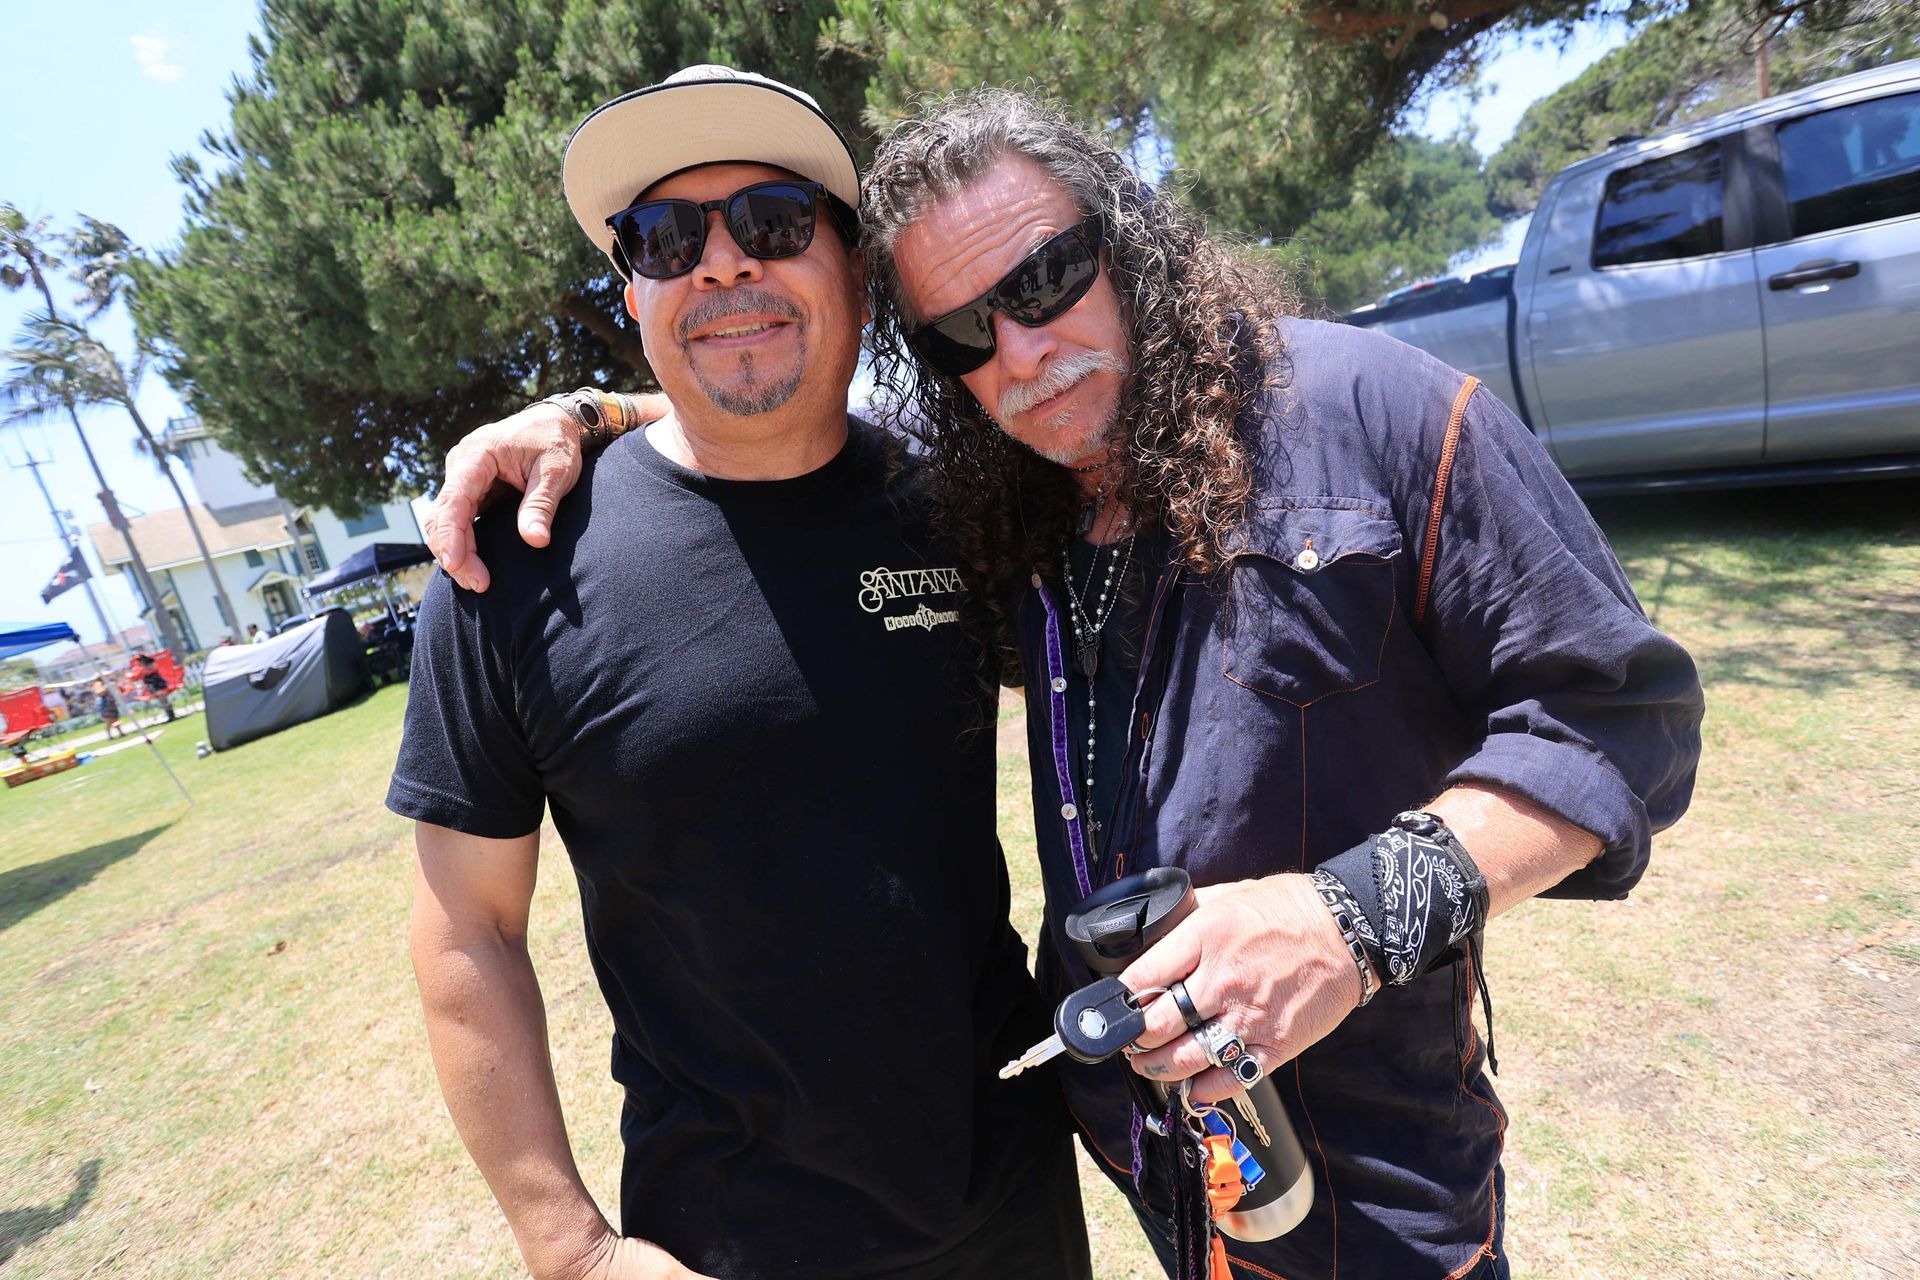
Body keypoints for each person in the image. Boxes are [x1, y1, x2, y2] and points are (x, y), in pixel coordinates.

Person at [428, 89, 1704, 1279]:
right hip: (1134, 1181)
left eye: (1045, 277)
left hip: (1349, 1195)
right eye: (964, 333)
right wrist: (591, 413)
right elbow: (751, 427)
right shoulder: (1008, 503)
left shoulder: (1373, 412)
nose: (1024, 349)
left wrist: (1344, 923)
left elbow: (1616, 717)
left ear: (1129, 236)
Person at [387, 67, 1090, 1280]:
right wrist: (572, 1250)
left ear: (855, 273)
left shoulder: (960, 501)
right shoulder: (511, 562)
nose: (721, 264)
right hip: (719, 1243)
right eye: (667, 237)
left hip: (1014, 1201)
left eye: (772, 220)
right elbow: (467, 931)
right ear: (635, 293)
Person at [133, 653, 175, 722]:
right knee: (162, 700)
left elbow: (152, 670)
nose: (139, 662)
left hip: (157, 683)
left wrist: (143, 669)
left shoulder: (150, 665)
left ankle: (171, 715)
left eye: (139, 660)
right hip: (152, 685)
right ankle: (170, 715)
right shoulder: (140, 668)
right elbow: (137, 676)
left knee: (163, 699)